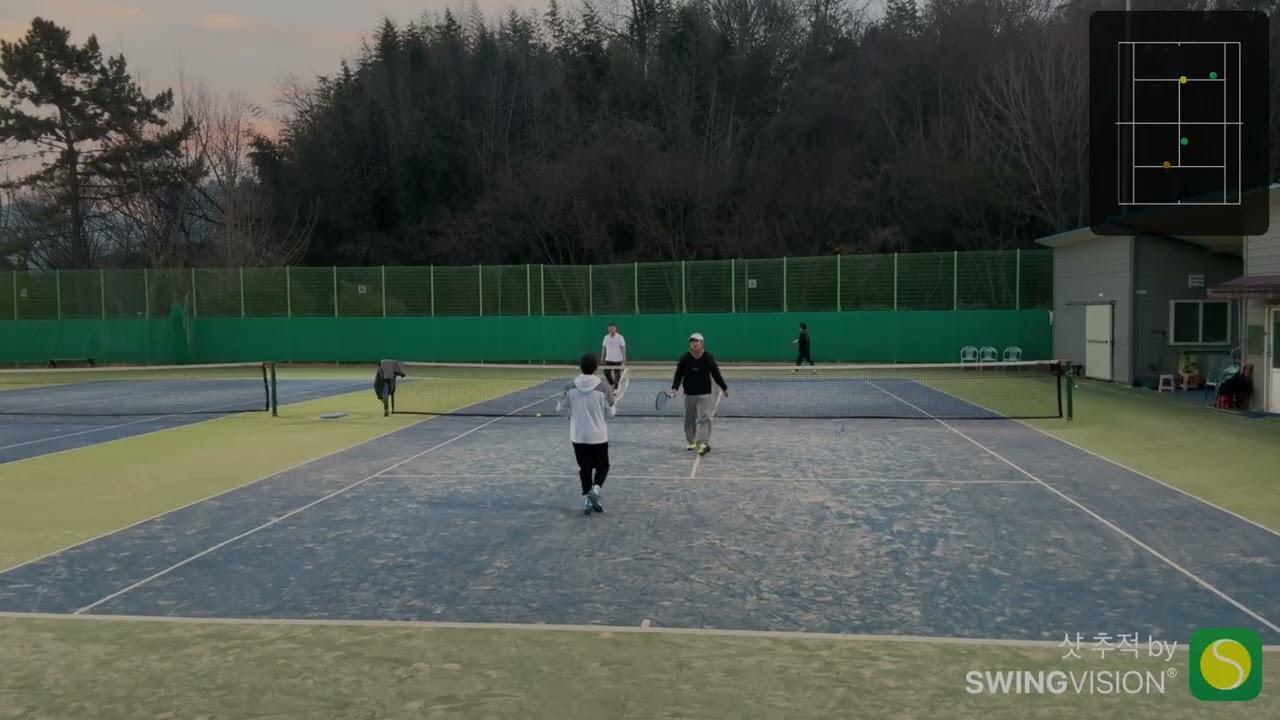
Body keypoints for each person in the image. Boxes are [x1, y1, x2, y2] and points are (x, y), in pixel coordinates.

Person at [563, 353, 617, 514]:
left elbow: (560, 408)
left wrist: (572, 414)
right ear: (596, 367)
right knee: (603, 466)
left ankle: (588, 499)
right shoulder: (604, 387)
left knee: (584, 468)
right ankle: (595, 490)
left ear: (581, 367)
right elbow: (611, 413)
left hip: (577, 436)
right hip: (598, 436)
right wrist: (605, 413)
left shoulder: (570, 386)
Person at [671, 332, 728, 456]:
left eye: (697, 341)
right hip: (689, 393)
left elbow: (716, 373)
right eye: (692, 341)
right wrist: (675, 387)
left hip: (705, 394)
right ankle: (691, 442)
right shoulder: (684, 358)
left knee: (704, 419)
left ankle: (703, 443)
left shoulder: (708, 357)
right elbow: (678, 374)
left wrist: (724, 387)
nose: (694, 343)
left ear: (702, 343)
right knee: (689, 419)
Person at [601, 323, 627, 390]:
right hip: (608, 360)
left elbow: (623, 348)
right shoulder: (606, 337)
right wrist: (602, 358)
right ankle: (612, 384)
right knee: (606, 373)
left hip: (617, 360)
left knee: (617, 376)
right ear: (608, 329)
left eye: (612, 328)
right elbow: (604, 348)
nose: (611, 329)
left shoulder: (620, 337)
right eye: (610, 328)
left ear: (615, 329)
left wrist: (624, 358)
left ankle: (615, 388)